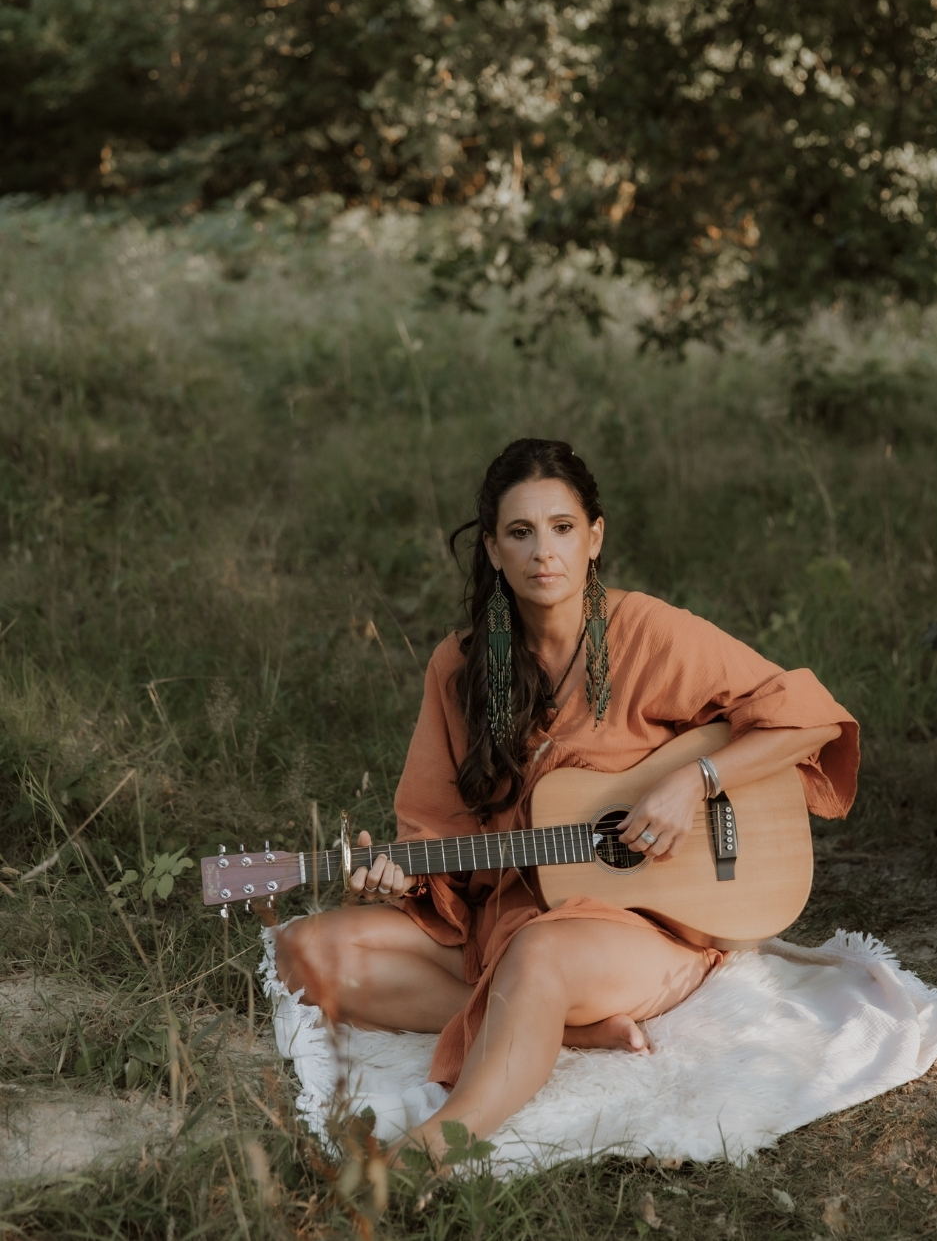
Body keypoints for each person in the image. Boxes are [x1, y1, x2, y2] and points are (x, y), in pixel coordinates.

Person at [274, 438, 858, 1165]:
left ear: (595, 537)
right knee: (307, 951)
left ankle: (425, 1154)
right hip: (505, 912)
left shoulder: (649, 633)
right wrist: (400, 876)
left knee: (540, 951)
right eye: (519, 532)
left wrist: (696, 781)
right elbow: (434, 826)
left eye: (561, 528)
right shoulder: (460, 665)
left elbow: (810, 718)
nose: (542, 552)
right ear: (492, 549)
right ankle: (560, 1028)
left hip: (639, 929)